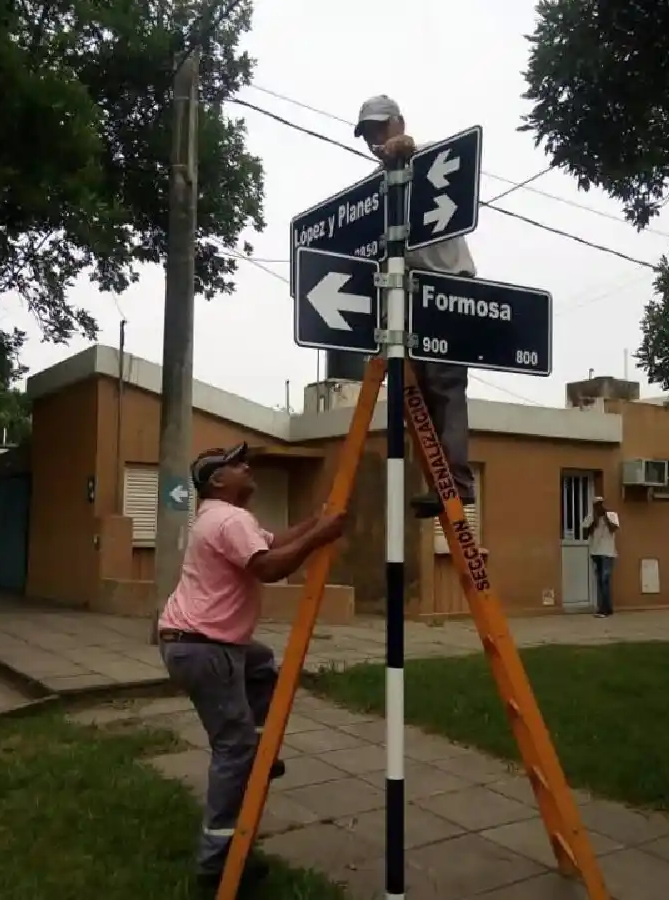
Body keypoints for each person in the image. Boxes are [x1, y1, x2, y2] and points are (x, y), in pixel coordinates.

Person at [158, 442, 347, 895]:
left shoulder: (221, 517)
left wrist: (315, 522)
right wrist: (319, 538)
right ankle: (218, 861)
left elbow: (273, 542)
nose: (246, 468)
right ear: (218, 480)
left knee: (260, 663)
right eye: (237, 464)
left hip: (194, 642)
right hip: (205, 648)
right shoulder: (229, 519)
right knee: (233, 749)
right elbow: (268, 567)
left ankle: (261, 752)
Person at [354, 94, 477, 519]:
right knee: (417, 394)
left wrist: (402, 148)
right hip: (410, 296)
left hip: (447, 288)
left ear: (398, 123)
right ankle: (441, 485)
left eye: (379, 128)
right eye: (367, 133)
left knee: (445, 386)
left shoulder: (427, 162)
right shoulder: (380, 185)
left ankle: (458, 483)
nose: (374, 139)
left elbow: (415, 149)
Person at [582, 497, 620, 618]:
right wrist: (594, 522)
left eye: (601, 505)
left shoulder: (612, 515)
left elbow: (614, 529)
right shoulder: (590, 517)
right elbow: (584, 534)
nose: (599, 507)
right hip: (596, 553)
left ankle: (604, 609)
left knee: (605, 579)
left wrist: (606, 518)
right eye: (596, 505)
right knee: (601, 581)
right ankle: (607, 608)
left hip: (608, 553)